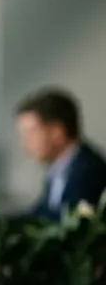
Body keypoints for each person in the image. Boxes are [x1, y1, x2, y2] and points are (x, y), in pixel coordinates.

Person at [15, 88, 106, 219]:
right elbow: (40, 214)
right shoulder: (60, 168)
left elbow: (59, 223)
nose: (24, 145)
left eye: (30, 134)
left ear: (57, 132)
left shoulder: (88, 170)